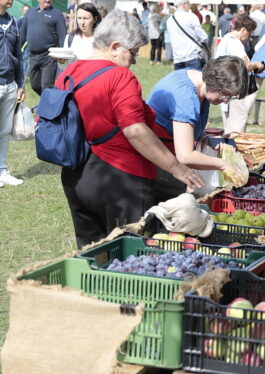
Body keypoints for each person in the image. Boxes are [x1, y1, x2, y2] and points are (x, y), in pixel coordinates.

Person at [57, 10, 204, 247]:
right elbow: (135, 130)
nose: (134, 60)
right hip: (119, 179)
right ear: (115, 47)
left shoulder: (69, 72)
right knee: (129, 256)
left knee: (91, 253)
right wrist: (176, 167)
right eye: (133, 52)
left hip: (76, 176)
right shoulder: (120, 76)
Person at [146, 55, 249, 200]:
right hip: (154, 161)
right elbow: (186, 156)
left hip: (165, 155)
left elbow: (182, 126)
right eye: (225, 94)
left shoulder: (197, 82)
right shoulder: (186, 97)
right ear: (214, 82)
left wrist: (202, 137)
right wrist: (224, 164)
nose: (225, 101)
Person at [214, 14, 264, 133]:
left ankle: (228, 149)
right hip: (234, 89)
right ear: (242, 29)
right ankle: (235, 149)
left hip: (224, 87)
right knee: (238, 123)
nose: (249, 36)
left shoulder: (225, 39)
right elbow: (245, 65)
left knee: (229, 125)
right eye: (249, 32)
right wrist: (257, 65)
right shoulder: (234, 43)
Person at [0, 0, 26, 188]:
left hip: (10, 84)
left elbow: (18, 54)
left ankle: (2, 171)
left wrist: (20, 84)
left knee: (4, 131)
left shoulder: (14, 22)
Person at [19, 0, 66, 96]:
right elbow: (22, 35)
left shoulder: (57, 14)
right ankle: (50, 101)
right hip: (32, 56)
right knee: (34, 85)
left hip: (49, 57)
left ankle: (46, 107)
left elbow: (62, 37)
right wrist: (15, 50)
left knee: (47, 87)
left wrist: (63, 55)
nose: (48, 0)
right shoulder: (30, 13)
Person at [167, 0, 209, 70]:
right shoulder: (191, 17)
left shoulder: (169, 20)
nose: (190, 7)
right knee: (195, 80)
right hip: (192, 56)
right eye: (189, 4)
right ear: (184, 4)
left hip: (177, 58)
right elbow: (203, 37)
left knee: (181, 80)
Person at [58, 2, 101, 69]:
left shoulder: (101, 40)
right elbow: (65, 68)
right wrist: (62, 61)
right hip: (74, 78)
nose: (82, 22)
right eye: (79, 18)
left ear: (95, 19)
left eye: (86, 18)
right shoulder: (70, 38)